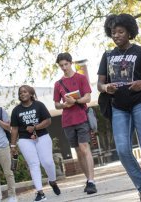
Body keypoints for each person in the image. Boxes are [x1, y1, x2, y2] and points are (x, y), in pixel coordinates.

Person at [97, 14, 141, 202]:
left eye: (120, 32)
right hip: (118, 106)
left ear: (129, 32)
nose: (116, 35)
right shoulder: (108, 56)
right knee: (123, 150)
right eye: (113, 32)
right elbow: (99, 84)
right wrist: (106, 88)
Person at [53, 52, 97, 194]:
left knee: (84, 147)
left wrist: (75, 101)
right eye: (61, 66)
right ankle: (88, 179)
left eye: (66, 64)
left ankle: (92, 181)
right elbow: (56, 105)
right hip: (67, 121)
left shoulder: (81, 78)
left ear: (71, 63)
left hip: (82, 118)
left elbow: (88, 98)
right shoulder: (58, 84)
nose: (64, 67)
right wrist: (64, 104)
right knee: (78, 151)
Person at [10, 85, 60, 202]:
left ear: (31, 93)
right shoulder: (16, 110)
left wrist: (35, 127)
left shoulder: (39, 105)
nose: (22, 94)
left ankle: (52, 181)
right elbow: (15, 129)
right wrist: (12, 146)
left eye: (25, 92)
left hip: (42, 136)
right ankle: (40, 192)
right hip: (24, 139)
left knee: (47, 162)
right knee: (33, 164)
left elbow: (48, 121)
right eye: (20, 92)